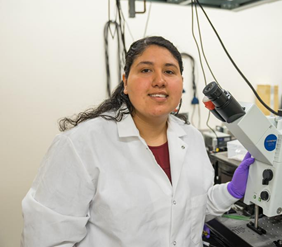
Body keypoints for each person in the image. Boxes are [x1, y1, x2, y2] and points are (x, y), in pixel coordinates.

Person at [21, 36, 255, 247]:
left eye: (170, 72)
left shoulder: (191, 137)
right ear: (125, 82)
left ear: (181, 84)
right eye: (145, 70)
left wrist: (232, 191)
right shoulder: (80, 145)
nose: (159, 80)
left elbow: (190, 210)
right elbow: (45, 239)